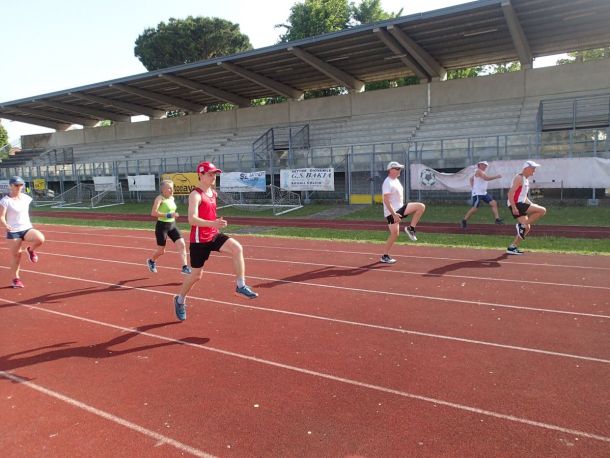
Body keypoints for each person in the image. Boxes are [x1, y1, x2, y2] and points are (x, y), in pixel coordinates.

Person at [173, 162, 258, 321]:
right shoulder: (195, 195)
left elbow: (209, 214)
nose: (214, 177)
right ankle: (180, 300)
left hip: (213, 234)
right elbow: (192, 219)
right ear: (201, 175)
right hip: (199, 240)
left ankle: (240, 285)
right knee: (196, 275)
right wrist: (213, 223)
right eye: (210, 174)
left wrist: (216, 223)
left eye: (215, 174)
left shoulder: (213, 193)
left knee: (237, 248)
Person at [0, 176, 45, 288]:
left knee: (40, 239)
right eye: (16, 185)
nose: (19, 187)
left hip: (26, 228)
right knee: (17, 256)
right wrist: (6, 225)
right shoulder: (5, 200)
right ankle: (16, 279)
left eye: (21, 185)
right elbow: (1, 216)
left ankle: (30, 250)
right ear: (10, 186)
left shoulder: (26, 198)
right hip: (14, 231)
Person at [380, 161, 426, 264]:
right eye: (397, 168)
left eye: (400, 168)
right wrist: (394, 214)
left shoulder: (396, 180)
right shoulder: (387, 182)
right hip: (393, 212)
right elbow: (386, 200)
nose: (399, 170)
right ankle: (385, 256)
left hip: (400, 209)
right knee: (395, 234)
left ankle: (411, 228)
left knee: (420, 207)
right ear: (390, 170)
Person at [146, 179, 191, 275]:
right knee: (161, 251)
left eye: (172, 188)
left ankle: (185, 267)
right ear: (163, 189)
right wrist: (169, 215)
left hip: (172, 225)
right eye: (169, 188)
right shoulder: (159, 199)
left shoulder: (172, 198)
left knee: (182, 244)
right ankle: (151, 261)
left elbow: (171, 211)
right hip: (162, 226)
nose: (172, 190)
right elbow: (153, 213)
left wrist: (173, 215)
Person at [506, 160, 547, 255]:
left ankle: (512, 247)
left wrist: (532, 204)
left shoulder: (525, 180)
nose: (534, 170)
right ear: (526, 168)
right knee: (542, 210)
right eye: (533, 168)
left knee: (527, 227)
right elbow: (510, 193)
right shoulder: (519, 178)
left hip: (519, 203)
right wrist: (514, 207)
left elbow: (524, 197)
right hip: (516, 204)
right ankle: (521, 226)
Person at [461, 160, 503, 228]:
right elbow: (486, 178)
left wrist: (473, 187)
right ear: (479, 165)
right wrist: (496, 176)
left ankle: (497, 219)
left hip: (483, 193)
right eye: (483, 165)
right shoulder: (478, 171)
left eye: (485, 165)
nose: (485, 166)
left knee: (493, 203)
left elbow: (471, 179)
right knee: (475, 208)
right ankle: (464, 220)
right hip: (478, 193)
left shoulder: (480, 172)